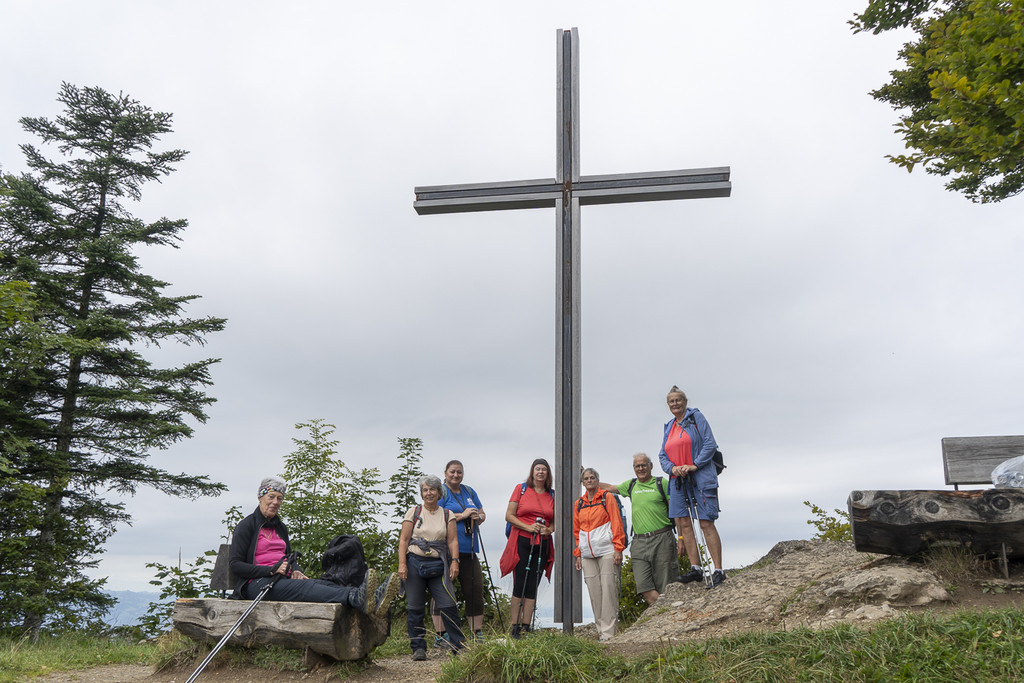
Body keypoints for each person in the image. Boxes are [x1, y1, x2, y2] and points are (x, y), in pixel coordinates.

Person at [229, 477, 398, 616]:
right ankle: (356, 597)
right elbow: (235, 565)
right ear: (260, 497)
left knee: (323, 584)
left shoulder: (280, 527)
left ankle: (374, 599)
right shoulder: (247, 526)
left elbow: (288, 557)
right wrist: (270, 570)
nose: (275, 502)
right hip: (257, 585)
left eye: (279, 498)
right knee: (306, 587)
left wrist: (296, 569)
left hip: (281, 580)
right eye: (271, 497)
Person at [658, 386, 727, 588]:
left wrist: (694, 464)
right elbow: (662, 455)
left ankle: (718, 570)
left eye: (678, 400)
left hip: (700, 477)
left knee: (706, 522)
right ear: (668, 405)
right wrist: (672, 468)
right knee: (684, 522)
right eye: (671, 401)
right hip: (678, 480)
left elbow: (709, 444)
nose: (675, 404)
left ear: (685, 401)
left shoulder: (696, 418)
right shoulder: (669, 426)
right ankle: (695, 568)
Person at [398, 474, 465, 661]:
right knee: (415, 606)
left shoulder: (447, 514)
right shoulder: (414, 512)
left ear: (439, 492)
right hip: (414, 563)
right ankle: (418, 648)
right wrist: (402, 564)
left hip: (439, 564)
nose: (429, 493)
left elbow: (452, 541)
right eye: (425, 490)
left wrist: (455, 561)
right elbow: (404, 540)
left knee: (448, 604)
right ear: (422, 493)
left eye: (432, 489)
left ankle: (458, 645)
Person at [600, 453, 675, 605]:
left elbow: (676, 511)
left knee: (666, 586)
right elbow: (609, 488)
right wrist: (586, 477)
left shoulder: (662, 483)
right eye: (637, 466)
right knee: (644, 586)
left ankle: (666, 614)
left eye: (643, 465)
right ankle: (664, 611)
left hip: (662, 537)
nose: (640, 468)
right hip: (639, 541)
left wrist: (682, 538)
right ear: (634, 468)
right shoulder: (631, 485)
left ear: (650, 466)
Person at [432, 459, 487, 643]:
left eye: (459, 472)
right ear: (445, 473)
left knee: (475, 588)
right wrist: (462, 515)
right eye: (453, 472)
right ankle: (441, 635)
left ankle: (476, 632)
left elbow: (482, 513)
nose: (456, 475)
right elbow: (436, 515)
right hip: (445, 549)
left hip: (469, 549)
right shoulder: (441, 491)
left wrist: (478, 516)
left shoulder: (469, 491)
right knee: (442, 589)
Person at [499, 458, 555, 638]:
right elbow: (509, 515)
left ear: (548, 474)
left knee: (532, 585)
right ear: (532, 472)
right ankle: (515, 627)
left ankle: (526, 626)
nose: (540, 472)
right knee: (520, 584)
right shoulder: (521, 489)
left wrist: (549, 529)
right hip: (522, 541)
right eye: (537, 469)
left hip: (542, 543)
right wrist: (528, 527)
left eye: (544, 470)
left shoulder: (552, 494)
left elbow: (555, 520)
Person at [573, 467, 626, 641]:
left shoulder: (607, 497)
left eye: (592, 478)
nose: (589, 480)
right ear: (582, 482)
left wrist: (618, 548)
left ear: (597, 480)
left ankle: (609, 634)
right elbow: (577, 531)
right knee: (595, 594)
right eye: (586, 478)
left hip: (607, 551)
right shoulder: (579, 504)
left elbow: (616, 522)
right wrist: (578, 553)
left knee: (609, 591)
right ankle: (601, 632)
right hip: (587, 555)